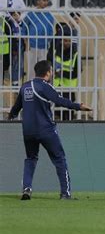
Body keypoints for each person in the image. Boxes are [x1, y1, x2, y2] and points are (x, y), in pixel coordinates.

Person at [7, 60, 92, 200]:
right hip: (46, 130)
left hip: (28, 131)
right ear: (48, 73)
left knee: (30, 158)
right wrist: (79, 106)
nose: (52, 73)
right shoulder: (46, 87)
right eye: (51, 71)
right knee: (59, 158)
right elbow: (60, 101)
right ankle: (65, 193)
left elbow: (16, 107)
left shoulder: (25, 87)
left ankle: (27, 189)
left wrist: (10, 116)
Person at [47, 25, 79, 121]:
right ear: (60, 40)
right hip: (56, 88)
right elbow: (48, 66)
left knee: (68, 114)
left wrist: (61, 73)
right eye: (65, 40)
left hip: (69, 89)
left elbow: (75, 73)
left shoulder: (75, 55)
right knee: (56, 114)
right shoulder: (54, 52)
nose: (67, 43)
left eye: (69, 41)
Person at [22, 0, 54, 80]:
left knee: (43, 70)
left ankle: (41, 87)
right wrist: (26, 42)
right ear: (38, 1)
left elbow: (51, 31)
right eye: (44, 0)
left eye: (47, 1)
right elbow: (24, 29)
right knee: (31, 69)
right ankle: (31, 87)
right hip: (32, 45)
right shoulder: (31, 14)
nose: (45, 2)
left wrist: (49, 43)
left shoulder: (49, 16)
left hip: (44, 46)